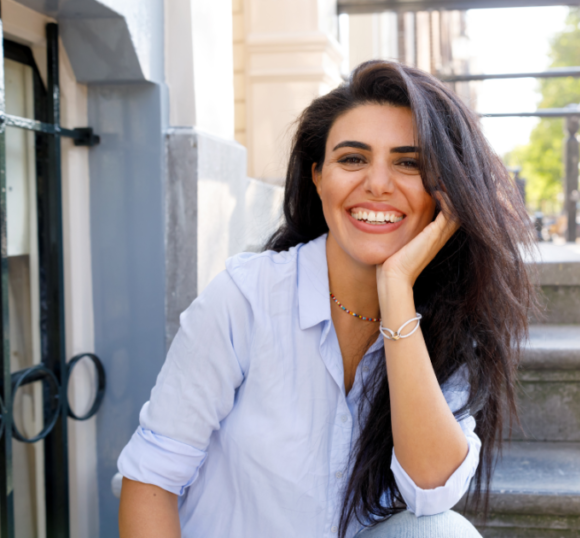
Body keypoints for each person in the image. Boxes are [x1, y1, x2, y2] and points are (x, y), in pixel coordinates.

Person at [117, 60, 538, 538]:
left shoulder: (448, 325)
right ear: (318, 177)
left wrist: (397, 291)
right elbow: (151, 478)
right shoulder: (246, 298)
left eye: (408, 162)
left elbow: (431, 491)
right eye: (353, 159)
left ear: (446, 195)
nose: (378, 183)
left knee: (441, 532)